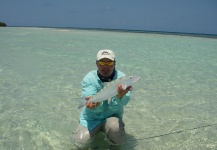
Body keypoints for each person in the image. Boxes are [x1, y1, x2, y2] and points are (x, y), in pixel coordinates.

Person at [73, 49, 132, 149]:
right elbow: (89, 97)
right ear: (96, 64)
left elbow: (125, 101)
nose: (105, 66)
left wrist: (120, 96)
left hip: (112, 118)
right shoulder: (89, 78)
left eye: (109, 62)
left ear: (114, 64)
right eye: (101, 62)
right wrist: (93, 104)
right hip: (91, 119)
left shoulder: (122, 78)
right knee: (79, 143)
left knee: (116, 132)